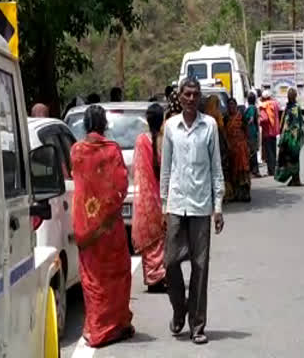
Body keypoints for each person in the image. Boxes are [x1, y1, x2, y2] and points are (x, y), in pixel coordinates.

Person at [160, 78, 224, 346]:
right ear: (180, 97)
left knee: (200, 266)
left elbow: (216, 167)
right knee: (170, 263)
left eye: (195, 94)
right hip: (176, 204)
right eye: (187, 94)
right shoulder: (171, 127)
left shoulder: (209, 126)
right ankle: (179, 308)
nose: (191, 98)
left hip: (200, 206)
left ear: (199, 98)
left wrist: (218, 206)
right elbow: (166, 168)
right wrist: (163, 204)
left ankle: (197, 324)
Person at [70, 105, 134, 348]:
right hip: (109, 227)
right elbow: (121, 185)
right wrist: (108, 209)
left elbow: (79, 181)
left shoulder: (76, 151)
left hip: (86, 227)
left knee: (92, 277)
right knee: (116, 276)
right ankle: (115, 326)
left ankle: (96, 328)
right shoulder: (111, 150)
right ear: (104, 124)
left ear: (86, 125)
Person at [132, 103, 167, 292]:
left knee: (149, 238)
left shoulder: (140, 140)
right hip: (161, 195)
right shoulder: (164, 140)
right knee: (161, 238)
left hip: (146, 196)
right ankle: (160, 275)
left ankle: (151, 277)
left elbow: (138, 171)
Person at [202, 96, 230, 203]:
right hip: (219, 141)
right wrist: (227, 143)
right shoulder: (217, 115)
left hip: (207, 142)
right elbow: (222, 129)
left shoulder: (204, 116)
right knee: (220, 167)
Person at [275, 88, 304, 186]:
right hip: (290, 137)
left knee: (292, 158)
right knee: (291, 158)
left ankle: (296, 179)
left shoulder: (295, 108)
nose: (290, 97)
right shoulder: (290, 107)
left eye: (291, 96)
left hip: (292, 138)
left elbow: (296, 124)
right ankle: (295, 178)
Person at [225, 98, 252, 202]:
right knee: (233, 171)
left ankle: (245, 195)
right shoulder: (226, 118)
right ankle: (235, 194)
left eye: (233, 104)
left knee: (243, 170)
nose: (231, 107)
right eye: (229, 105)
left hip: (241, 148)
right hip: (231, 149)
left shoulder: (241, 117)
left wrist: (248, 145)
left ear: (236, 105)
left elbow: (246, 131)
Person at [259, 90, 280, 176]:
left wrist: (258, 120)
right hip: (274, 131)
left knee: (268, 152)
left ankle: (271, 170)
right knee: (273, 151)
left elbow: (264, 119)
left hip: (267, 131)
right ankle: (274, 169)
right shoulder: (274, 104)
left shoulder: (264, 105)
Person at [244, 92, 261, 177]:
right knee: (252, 152)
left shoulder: (250, 108)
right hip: (252, 133)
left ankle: (253, 171)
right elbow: (251, 119)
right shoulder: (253, 108)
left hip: (250, 132)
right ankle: (254, 170)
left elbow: (250, 119)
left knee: (251, 152)